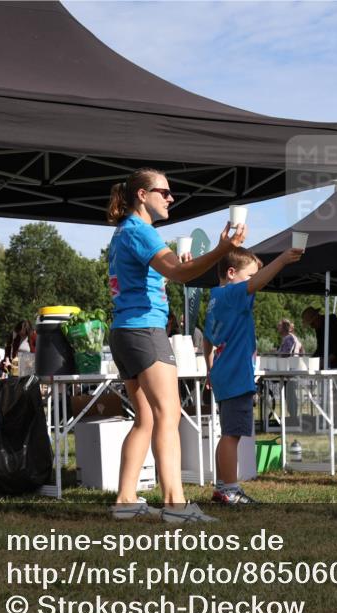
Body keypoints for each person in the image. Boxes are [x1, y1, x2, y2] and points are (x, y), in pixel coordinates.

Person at [106, 167, 246, 523]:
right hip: (144, 331)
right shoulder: (143, 231)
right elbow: (180, 274)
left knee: (148, 417)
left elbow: (159, 276)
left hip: (125, 330)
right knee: (168, 414)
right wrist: (223, 249)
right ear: (142, 195)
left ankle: (125, 500)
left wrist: (171, 272)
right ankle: (176, 506)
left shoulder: (125, 233)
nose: (171, 198)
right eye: (164, 192)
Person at [203, 246, 303, 505]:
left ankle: (222, 487)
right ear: (232, 273)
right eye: (249, 277)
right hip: (236, 376)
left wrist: (209, 367)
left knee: (227, 433)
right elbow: (256, 282)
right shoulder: (233, 294)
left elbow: (207, 338)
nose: (252, 285)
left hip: (223, 373)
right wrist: (281, 258)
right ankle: (231, 490)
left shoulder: (215, 298)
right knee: (231, 435)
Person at [276, 319, 303, 420]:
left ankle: (293, 418)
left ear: (284, 328)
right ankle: (293, 417)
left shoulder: (288, 339)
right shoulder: (290, 338)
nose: (278, 328)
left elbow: (286, 354)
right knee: (290, 395)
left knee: (290, 395)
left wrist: (277, 354)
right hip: (290, 370)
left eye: (279, 326)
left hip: (290, 371)